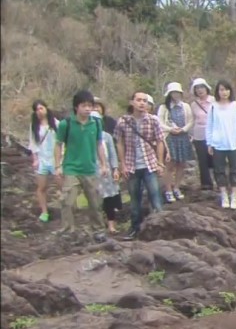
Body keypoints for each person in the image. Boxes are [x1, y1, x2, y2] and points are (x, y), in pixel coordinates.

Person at [54, 89, 109, 239]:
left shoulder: (96, 123)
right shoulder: (66, 124)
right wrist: (58, 166)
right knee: (68, 201)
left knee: (95, 202)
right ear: (76, 107)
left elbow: (99, 144)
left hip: (90, 168)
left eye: (90, 105)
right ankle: (67, 230)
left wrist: (103, 164)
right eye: (84, 105)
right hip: (71, 168)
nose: (87, 109)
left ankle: (98, 230)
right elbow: (58, 144)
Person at [114, 92, 166, 240]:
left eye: (145, 101)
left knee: (155, 197)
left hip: (149, 164)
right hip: (131, 165)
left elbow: (160, 140)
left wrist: (160, 162)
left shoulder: (153, 120)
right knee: (134, 199)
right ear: (132, 102)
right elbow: (119, 143)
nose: (142, 103)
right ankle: (134, 228)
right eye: (139, 100)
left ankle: (159, 228)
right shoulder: (123, 121)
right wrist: (122, 164)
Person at [206, 80, 236, 209]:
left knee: (235, 169)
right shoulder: (213, 107)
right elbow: (209, 126)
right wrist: (210, 143)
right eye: (221, 89)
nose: (224, 92)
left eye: (226, 89)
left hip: (234, 142)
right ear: (218, 92)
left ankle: (234, 195)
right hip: (218, 143)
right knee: (219, 170)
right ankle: (224, 195)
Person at [156, 82, 194, 202]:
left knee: (182, 164)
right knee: (170, 165)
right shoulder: (164, 107)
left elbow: (191, 121)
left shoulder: (185, 106)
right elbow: (160, 122)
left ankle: (177, 187)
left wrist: (183, 129)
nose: (175, 95)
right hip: (170, 138)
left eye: (177, 92)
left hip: (183, 137)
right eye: (173, 92)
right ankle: (168, 190)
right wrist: (171, 129)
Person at [28, 99, 59, 223]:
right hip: (42, 159)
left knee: (62, 185)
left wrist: (60, 159)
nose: (39, 111)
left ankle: (69, 209)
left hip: (55, 159)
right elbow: (33, 143)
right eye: (37, 109)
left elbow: (61, 141)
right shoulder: (34, 126)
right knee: (42, 187)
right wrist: (35, 159)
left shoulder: (55, 123)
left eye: (41, 108)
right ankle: (44, 211)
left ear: (46, 109)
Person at [189, 78, 216, 190]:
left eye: (202, 87)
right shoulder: (194, 105)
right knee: (202, 160)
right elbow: (192, 120)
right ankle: (206, 184)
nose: (200, 90)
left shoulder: (214, 101)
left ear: (206, 88)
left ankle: (219, 182)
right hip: (199, 134)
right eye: (197, 88)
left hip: (213, 134)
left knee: (215, 158)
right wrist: (190, 134)